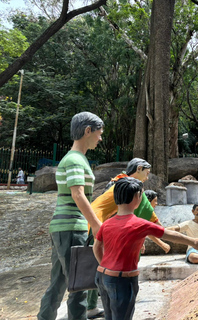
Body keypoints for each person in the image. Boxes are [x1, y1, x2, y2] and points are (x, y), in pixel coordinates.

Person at [93, 177, 198, 320]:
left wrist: (104, 265)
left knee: (109, 317)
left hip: (102, 276)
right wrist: (194, 242)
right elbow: (168, 234)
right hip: (122, 279)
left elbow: (96, 247)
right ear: (137, 197)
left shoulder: (107, 223)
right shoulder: (140, 224)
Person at [38, 112, 104, 320]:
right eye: (99, 134)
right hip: (71, 228)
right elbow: (77, 194)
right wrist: (96, 225)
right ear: (87, 131)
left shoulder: (74, 158)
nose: (100, 138)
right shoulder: (75, 159)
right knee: (79, 283)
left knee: (58, 282)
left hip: (62, 228)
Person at [86, 159, 170, 318]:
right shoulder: (132, 187)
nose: (147, 176)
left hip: (99, 229)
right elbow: (152, 223)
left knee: (99, 270)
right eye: (147, 172)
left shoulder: (116, 182)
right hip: (105, 234)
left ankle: (91, 306)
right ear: (139, 169)